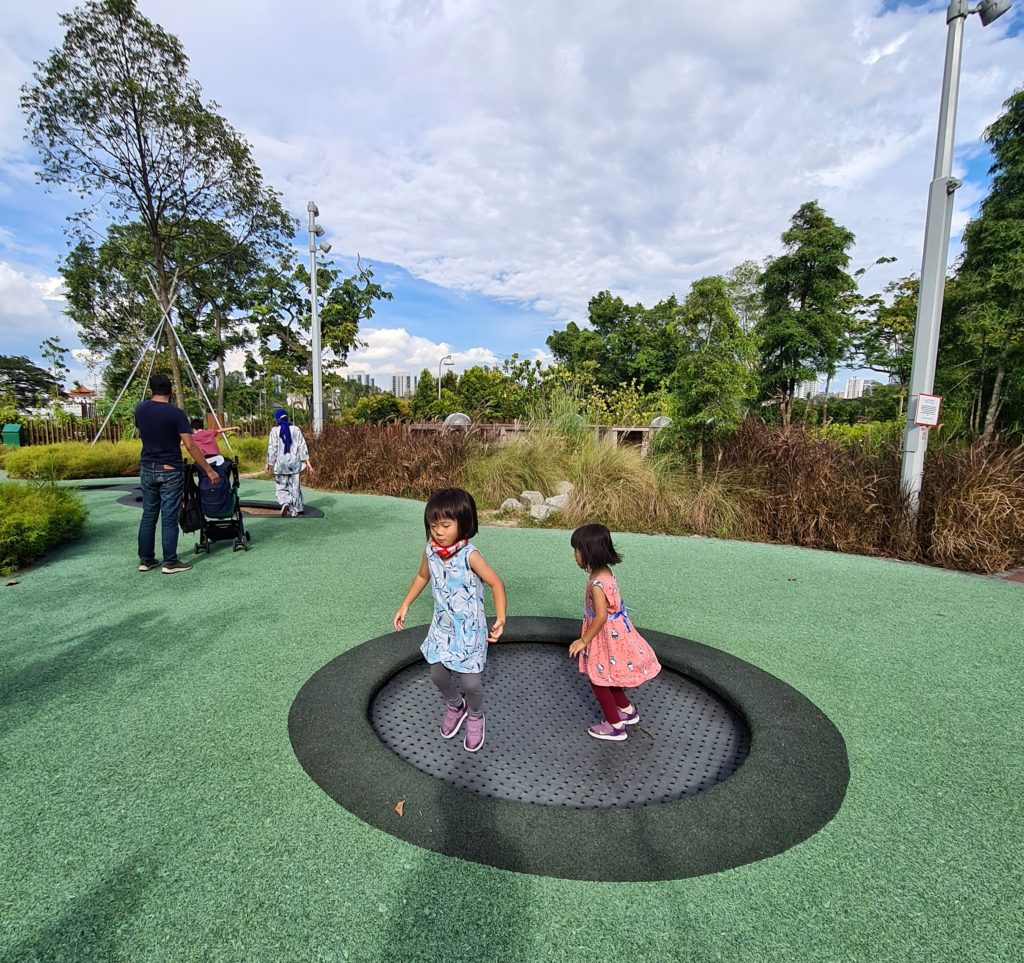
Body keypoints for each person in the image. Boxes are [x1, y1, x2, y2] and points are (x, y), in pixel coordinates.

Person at [393, 488, 506, 752]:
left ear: (463, 524)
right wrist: (405, 604)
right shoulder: (430, 552)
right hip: (443, 627)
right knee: (437, 673)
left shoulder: (470, 556)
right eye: (433, 525)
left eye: (446, 525)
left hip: (469, 630)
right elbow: (422, 577)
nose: (438, 531)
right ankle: (456, 705)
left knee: (471, 682)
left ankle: (476, 715)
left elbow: (495, 582)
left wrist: (500, 617)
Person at [568, 524, 661, 741]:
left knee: (598, 679)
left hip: (605, 636)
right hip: (615, 632)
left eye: (577, 551)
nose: (575, 556)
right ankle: (626, 710)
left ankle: (614, 725)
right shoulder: (604, 572)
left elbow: (600, 616)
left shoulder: (598, 583)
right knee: (609, 673)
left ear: (590, 553)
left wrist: (583, 640)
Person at [135, 373, 220, 574]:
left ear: (151, 389)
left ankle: (146, 560)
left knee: (148, 514)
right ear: (170, 390)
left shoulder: (141, 409)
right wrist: (208, 470)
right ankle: (170, 562)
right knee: (169, 516)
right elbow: (190, 445)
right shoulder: (176, 414)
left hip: (147, 466)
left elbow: (142, 431)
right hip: (170, 468)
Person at [266, 408, 311, 516]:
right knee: (295, 487)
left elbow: (272, 447)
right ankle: (297, 509)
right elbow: (302, 445)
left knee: (281, 485)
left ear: (276, 418)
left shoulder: (275, 431)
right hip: (295, 463)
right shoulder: (296, 429)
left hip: (281, 464)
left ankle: (285, 502)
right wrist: (307, 461)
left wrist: (269, 463)